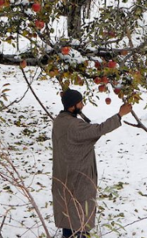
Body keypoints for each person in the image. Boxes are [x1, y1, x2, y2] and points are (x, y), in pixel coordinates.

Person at [52, 88, 132, 238]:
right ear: (72, 106)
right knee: (81, 210)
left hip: (63, 173)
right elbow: (98, 129)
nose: (82, 105)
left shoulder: (59, 121)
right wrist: (120, 114)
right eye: (80, 103)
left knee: (68, 211)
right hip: (78, 176)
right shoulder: (74, 126)